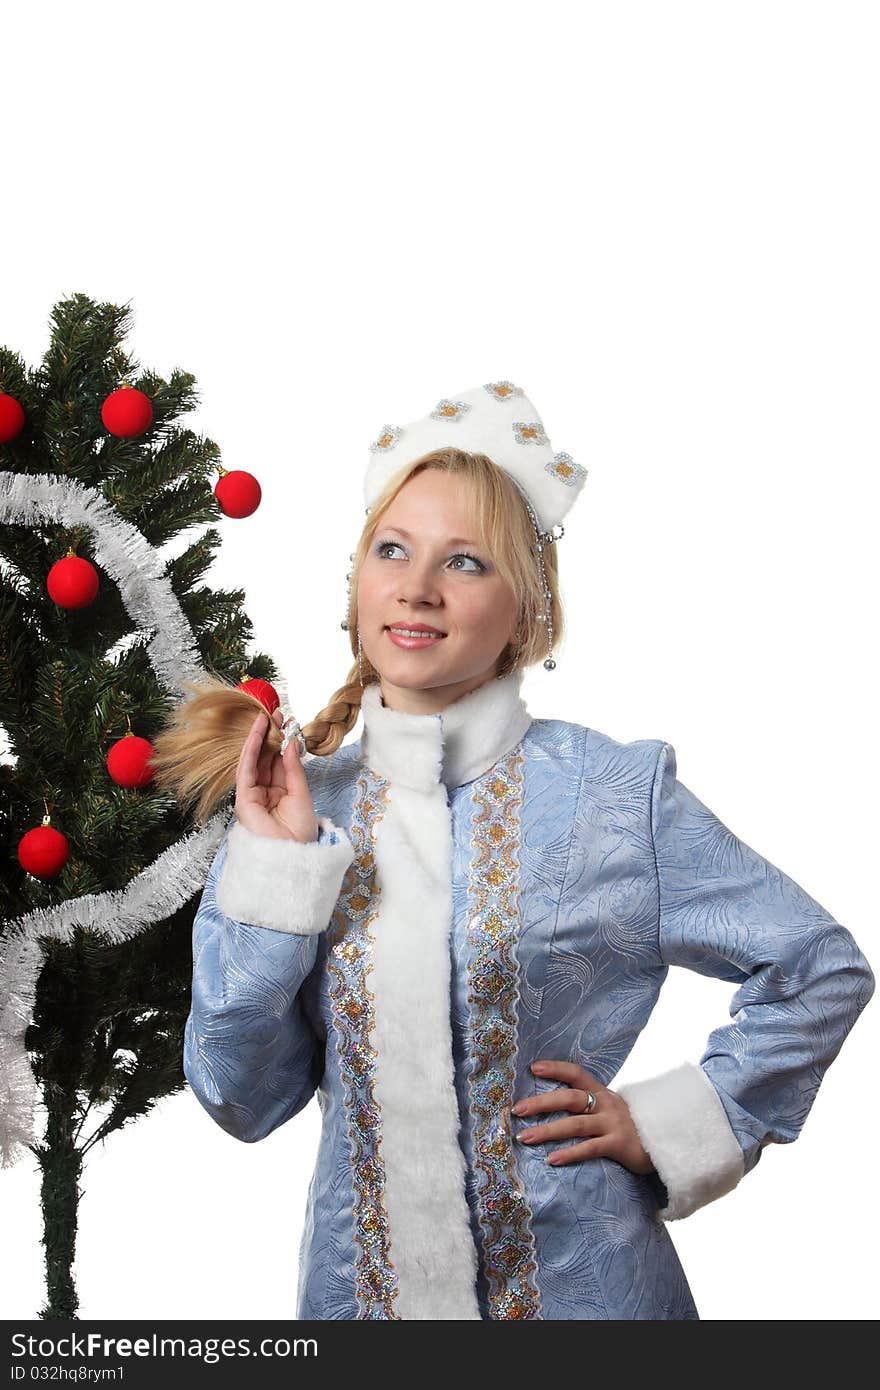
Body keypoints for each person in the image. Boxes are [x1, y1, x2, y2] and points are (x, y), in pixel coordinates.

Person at [151, 381, 874, 1321]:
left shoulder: (615, 795)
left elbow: (819, 965)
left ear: (528, 608)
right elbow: (238, 1098)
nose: (416, 587)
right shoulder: (300, 807)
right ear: (358, 582)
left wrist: (667, 1125)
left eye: (465, 562)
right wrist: (278, 873)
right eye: (393, 550)